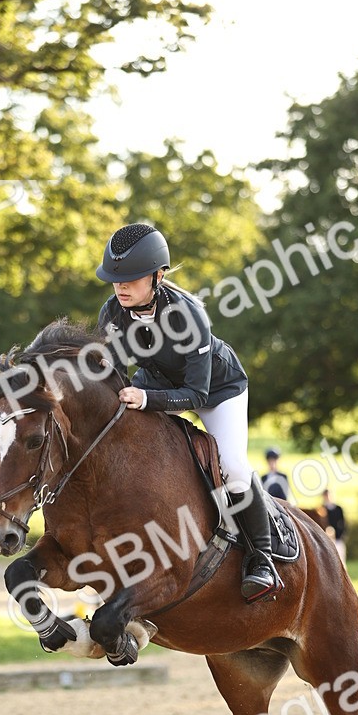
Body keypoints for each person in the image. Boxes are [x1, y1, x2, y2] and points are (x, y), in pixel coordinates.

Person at [96, 223, 282, 603]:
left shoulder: (188, 314)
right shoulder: (113, 312)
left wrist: (145, 400)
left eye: (131, 279)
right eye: (116, 279)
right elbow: (108, 374)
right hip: (156, 382)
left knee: (230, 464)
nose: (121, 287)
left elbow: (196, 395)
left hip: (218, 390)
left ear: (158, 275)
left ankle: (263, 558)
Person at [321, 488, 347, 565]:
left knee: (341, 561)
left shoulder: (338, 509)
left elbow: (343, 523)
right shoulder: (322, 509)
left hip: (338, 539)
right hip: (325, 540)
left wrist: (339, 535)